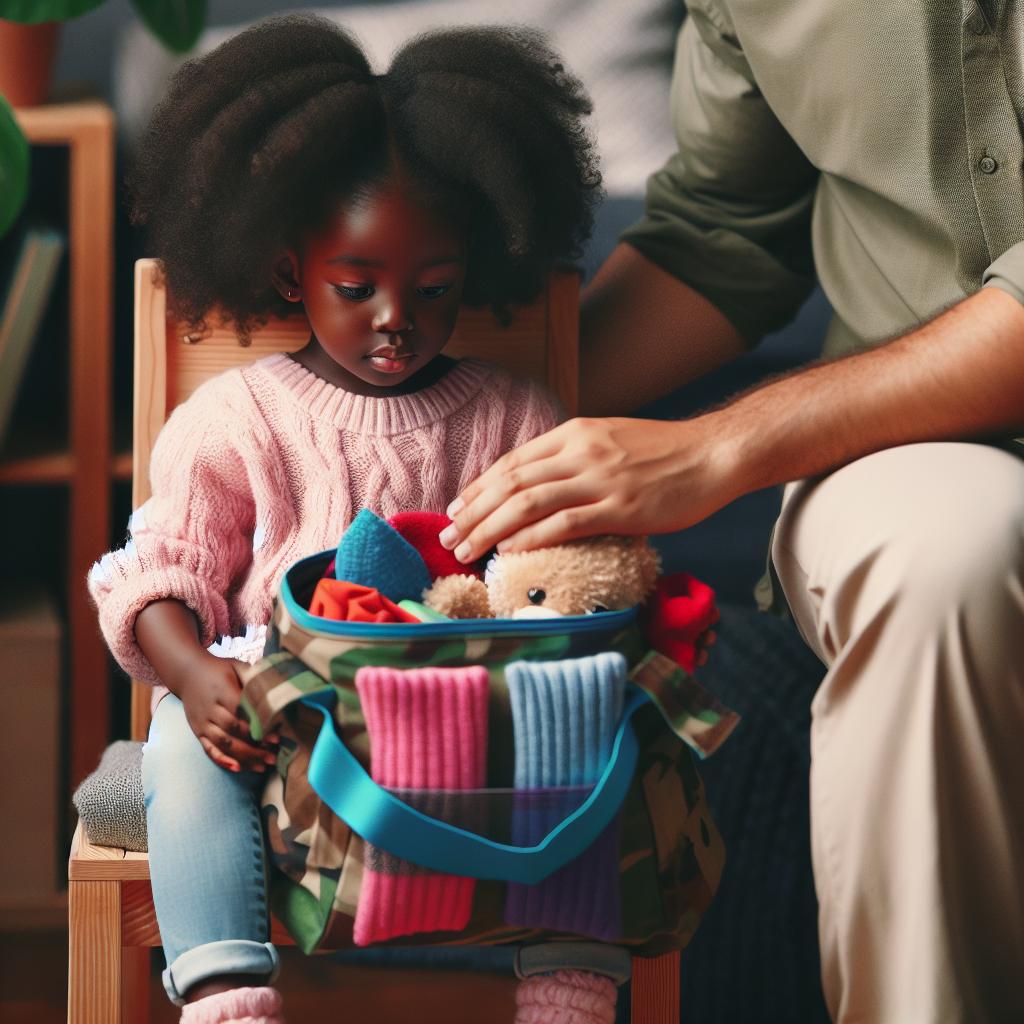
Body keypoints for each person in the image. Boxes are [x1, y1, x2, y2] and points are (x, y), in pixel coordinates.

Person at [440, 4, 1024, 1022]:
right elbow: (725, 232)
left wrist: (717, 449)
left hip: (846, 416)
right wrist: (462, 428)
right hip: (915, 449)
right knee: (941, 560)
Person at [86, 15, 631, 1024]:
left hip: (460, 718)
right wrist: (195, 676)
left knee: (585, 710)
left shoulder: (514, 416)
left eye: (435, 288)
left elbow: (558, 579)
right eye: (355, 287)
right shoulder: (233, 419)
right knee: (177, 745)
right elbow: (159, 570)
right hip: (280, 717)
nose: (395, 318)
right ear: (289, 272)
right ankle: (226, 988)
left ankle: (569, 976)